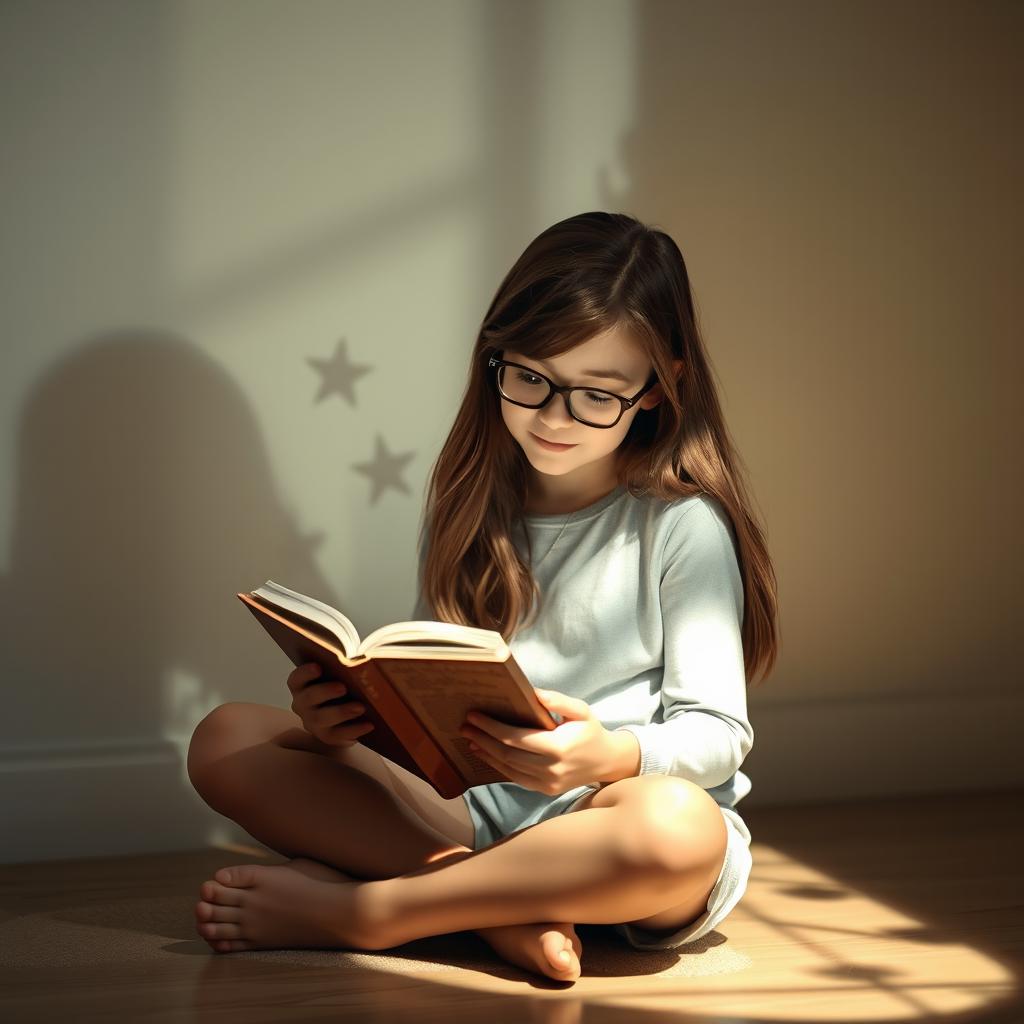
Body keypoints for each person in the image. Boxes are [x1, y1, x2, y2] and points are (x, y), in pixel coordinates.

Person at [186, 211, 779, 984]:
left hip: (612, 824)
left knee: (679, 829)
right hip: (467, 816)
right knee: (225, 738)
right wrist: (342, 729)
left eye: (596, 395)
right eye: (530, 378)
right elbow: (440, 703)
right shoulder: (471, 500)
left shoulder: (680, 524)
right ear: (495, 359)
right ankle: (500, 909)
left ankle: (374, 913)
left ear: (660, 391)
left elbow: (718, 733)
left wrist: (613, 755)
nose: (552, 416)